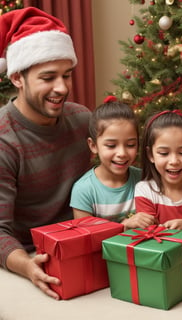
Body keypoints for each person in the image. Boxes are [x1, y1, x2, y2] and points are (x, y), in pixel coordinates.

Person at [0, 7, 92, 299]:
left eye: (67, 75)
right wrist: (28, 267)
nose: (62, 88)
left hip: (83, 248)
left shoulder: (82, 119)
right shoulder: (4, 140)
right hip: (28, 258)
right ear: (17, 77)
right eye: (48, 77)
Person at [70, 96, 155, 229]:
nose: (122, 153)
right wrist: (123, 226)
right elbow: (85, 240)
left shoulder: (143, 178)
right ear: (93, 146)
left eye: (130, 144)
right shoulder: (83, 190)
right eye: (111, 145)